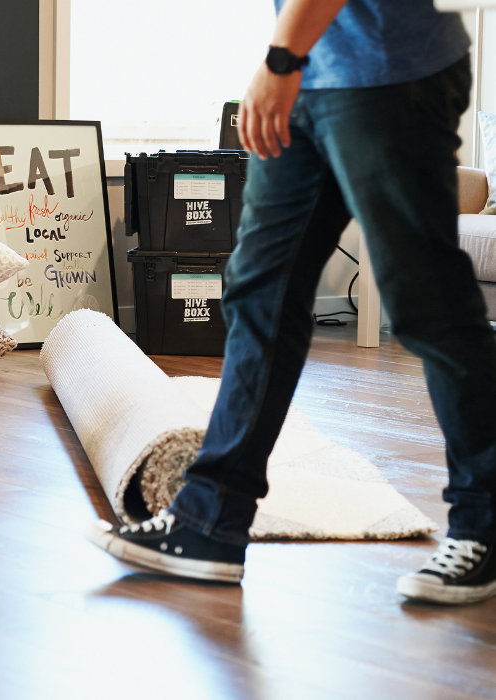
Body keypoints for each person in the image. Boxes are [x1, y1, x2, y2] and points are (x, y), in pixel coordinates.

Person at [90, 0, 496, 605]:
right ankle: (210, 522)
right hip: (313, 77)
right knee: (261, 291)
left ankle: (484, 524)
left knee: (427, 305)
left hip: (385, 76)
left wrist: (279, 60)